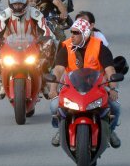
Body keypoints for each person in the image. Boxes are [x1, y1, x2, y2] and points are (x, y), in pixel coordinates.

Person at [48, 18, 121, 148]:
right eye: (72, 32)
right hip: (71, 88)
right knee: (54, 106)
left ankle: (110, 131)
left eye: (76, 33)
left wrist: (114, 89)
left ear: (85, 33)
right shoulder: (65, 47)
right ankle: (60, 129)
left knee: (115, 107)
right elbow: (58, 69)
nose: (73, 36)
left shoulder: (100, 47)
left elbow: (110, 69)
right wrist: (53, 89)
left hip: (97, 88)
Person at [0, 0, 55, 99]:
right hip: (11, 44)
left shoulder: (35, 12)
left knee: (44, 63)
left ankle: (44, 85)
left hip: (33, 44)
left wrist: (46, 46)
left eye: (20, 3)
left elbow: (46, 30)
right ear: (10, 3)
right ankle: (2, 83)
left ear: (25, 2)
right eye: (15, 4)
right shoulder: (5, 14)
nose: (18, 6)